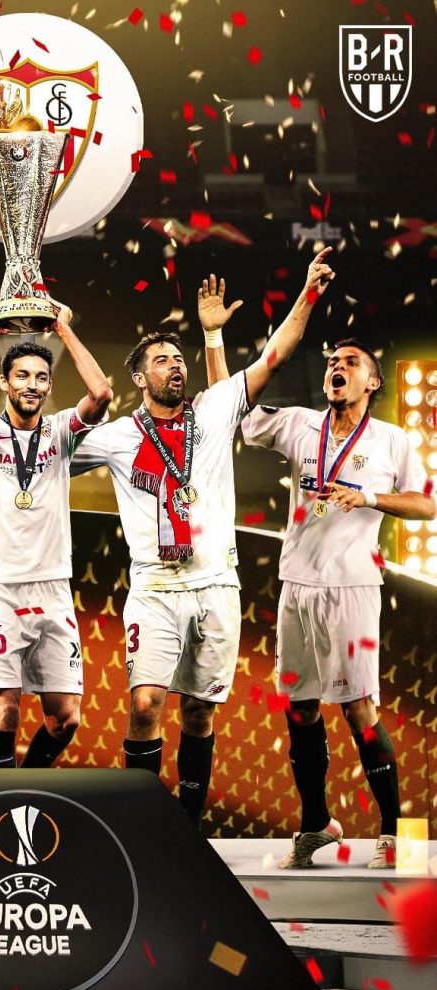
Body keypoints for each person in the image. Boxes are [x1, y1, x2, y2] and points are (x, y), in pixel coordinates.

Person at [70, 250, 335, 828]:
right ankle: (142, 826)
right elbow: (45, 455)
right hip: (155, 590)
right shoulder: (116, 436)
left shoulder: (214, 410)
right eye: (161, 361)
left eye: (178, 358)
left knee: (198, 713)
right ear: (138, 378)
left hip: (217, 586)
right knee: (146, 704)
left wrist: (309, 292)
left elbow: (274, 355)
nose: (174, 367)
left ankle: (186, 827)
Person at [243, 340, 435, 867]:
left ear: (372, 382)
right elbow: (232, 404)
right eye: (332, 362)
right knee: (300, 708)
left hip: (352, 587)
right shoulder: (301, 424)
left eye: (351, 363)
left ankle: (394, 835)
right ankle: (316, 825)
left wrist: (368, 497)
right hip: (296, 585)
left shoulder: (392, 439)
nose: (337, 367)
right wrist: (214, 340)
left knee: (359, 710)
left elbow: (426, 504)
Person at [0, 304, 113, 769]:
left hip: (52, 587)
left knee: (65, 718)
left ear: (49, 386)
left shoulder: (60, 433)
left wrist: (63, 329)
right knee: (5, 709)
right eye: (21, 375)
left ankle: (30, 784)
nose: (32, 385)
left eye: (41, 377)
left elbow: (100, 393)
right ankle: (5, 801)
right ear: (4, 382)